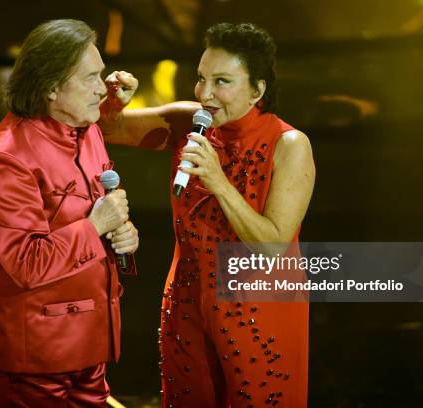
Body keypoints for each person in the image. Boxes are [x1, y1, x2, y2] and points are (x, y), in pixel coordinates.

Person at [101, 22, 315, 407]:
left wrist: (218, 181)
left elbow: (273, 247)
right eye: (201, 78)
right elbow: (107, 130)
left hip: (258, 314)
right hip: (187, 304)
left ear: (258, 89)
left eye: (222, 81)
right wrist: (115, 101)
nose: (205, 93)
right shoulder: (190, 123)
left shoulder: (289, 144)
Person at [0, 19, 139, 407]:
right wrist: (96, 227)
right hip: (31, 357)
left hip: (88, 346)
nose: (103, 88)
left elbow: (99, 212)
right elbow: (27, 262)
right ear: (50, 87)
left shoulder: (85, 129)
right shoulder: (4, 160)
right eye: (91, 78)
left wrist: (122, 234)